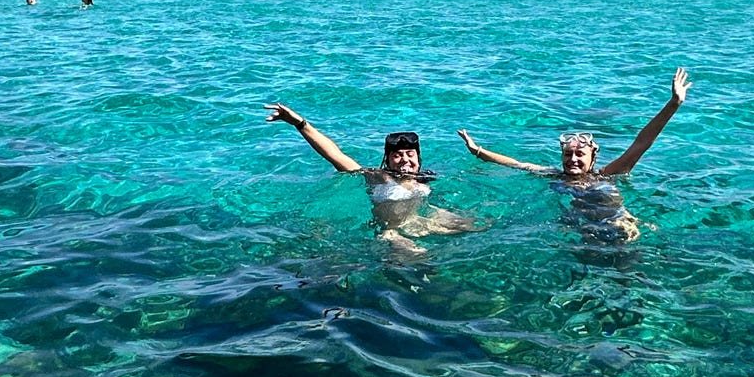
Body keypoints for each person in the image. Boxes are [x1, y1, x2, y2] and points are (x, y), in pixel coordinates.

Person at [459, 67, 691, 241]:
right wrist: (477, 150)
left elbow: (642, 142)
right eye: (568, 154)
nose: (573, 159)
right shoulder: (553, 175)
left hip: (619, 230)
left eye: (580, 154)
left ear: (593, 157)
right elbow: (516, 163)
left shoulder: (606, 175)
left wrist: (673, 104)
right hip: (583, 235)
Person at [265, 104, 472, 245]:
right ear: (388, 160)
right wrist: (300, 123)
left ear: (418, 158)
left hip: (419, 219)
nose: (405, 160)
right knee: (422, 263)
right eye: (397, 155)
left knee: (475, 226)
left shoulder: (424, 177)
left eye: (410, 154)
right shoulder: (378, 176)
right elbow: (334, 154)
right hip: (392, 231)